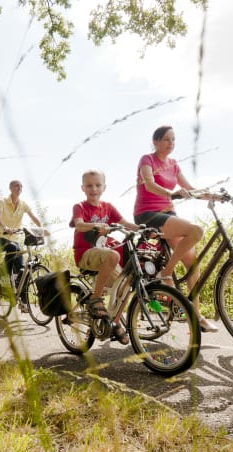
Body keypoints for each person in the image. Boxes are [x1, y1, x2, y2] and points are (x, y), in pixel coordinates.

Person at [133, 125, 220, 333]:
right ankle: (167, 272)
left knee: (193, 264)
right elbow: (149, 183)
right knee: (196, 230)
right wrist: (171, 194)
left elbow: (189, 189)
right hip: (149, 214)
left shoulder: (173, 164)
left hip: (168, 215)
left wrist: (211, 195)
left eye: (173, 140)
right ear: (155, 142)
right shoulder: (147, 160)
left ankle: (196, 317)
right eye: (166, 140)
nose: (170, 144)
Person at [70, 169, 140, 345]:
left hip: (105, 255)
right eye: (89, 186)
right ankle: (96, 298)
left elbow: (125, 224)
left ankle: (113, 322)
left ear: (104, 187)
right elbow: (79, 225)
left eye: (98, 185)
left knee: (126, 286)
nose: (94, 189)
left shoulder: (108, 207)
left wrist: (145, 230)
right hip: (85, 253)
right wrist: (96, 225)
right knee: (113, 254)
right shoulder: (80, 206)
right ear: (82, 188)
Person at [0, 179, 44, 310]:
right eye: (17, 186)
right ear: (10, 188)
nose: (19, 188)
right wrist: (5, 227)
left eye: (21, 186)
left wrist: (41, 228)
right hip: (0, 238)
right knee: (12, 247)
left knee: (23, 269)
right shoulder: (2, 202)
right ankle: (4, 279)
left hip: (15, 240)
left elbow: (33, 217)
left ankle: (22, 299)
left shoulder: (23, 204)